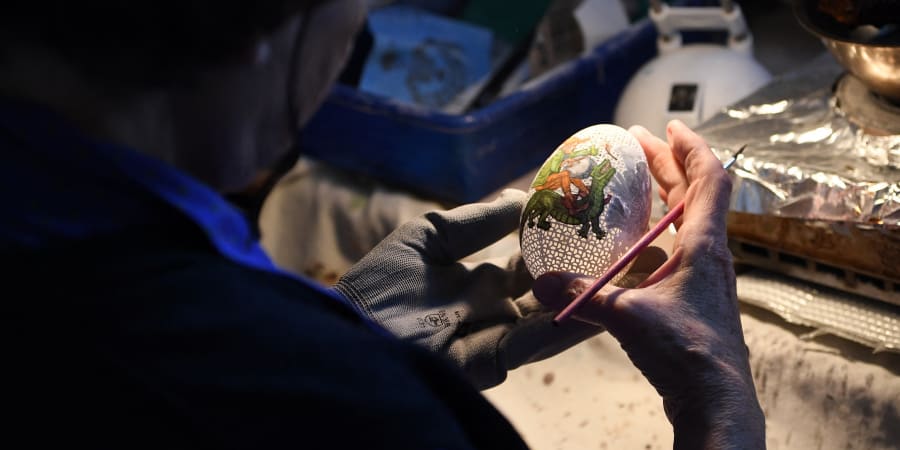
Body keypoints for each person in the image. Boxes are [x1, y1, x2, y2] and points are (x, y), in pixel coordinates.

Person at [1, 1, 764, 448]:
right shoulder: (341, 407)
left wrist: (335, 329)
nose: (351, 48)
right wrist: (718, 399)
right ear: (268, 28)